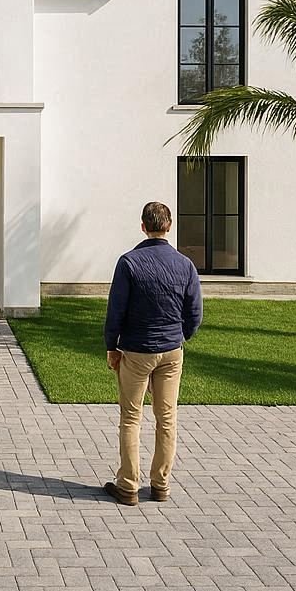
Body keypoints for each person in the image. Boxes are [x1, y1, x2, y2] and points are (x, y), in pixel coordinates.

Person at [102, 201, 203, 505]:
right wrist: (180, 336)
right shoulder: (185, 264)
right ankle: (161, 484)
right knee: (167, 418)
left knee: (131, 418)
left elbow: (115, 310)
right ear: (169, 226)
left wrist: (111, 346)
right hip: (171, 351)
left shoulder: (129, 263)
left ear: (143, 226)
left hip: (136, 350)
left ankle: (128, 485)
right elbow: (195, 312)